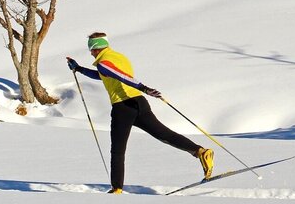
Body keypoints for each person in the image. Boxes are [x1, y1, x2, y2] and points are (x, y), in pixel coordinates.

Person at [66, 32, 213, 194]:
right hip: (139, 103)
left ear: (95, 48)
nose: (90, 52)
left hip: (123, 107)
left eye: (91, 49)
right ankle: (200, 152)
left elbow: (122, 76)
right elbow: (106, 75)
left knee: (117, 149)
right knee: (165, 134)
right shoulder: (119, 57)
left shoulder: (103, 63)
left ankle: (117, 188)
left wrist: (144, 87)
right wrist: (79, 69)